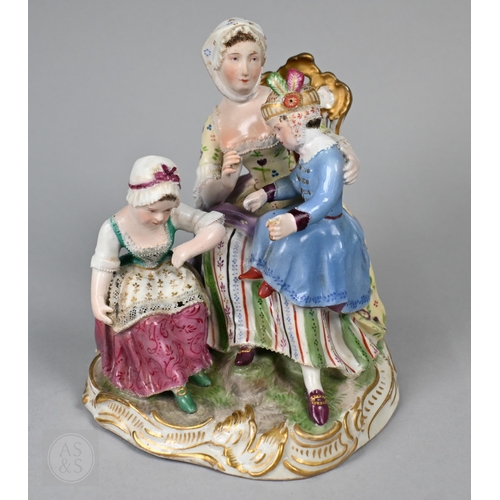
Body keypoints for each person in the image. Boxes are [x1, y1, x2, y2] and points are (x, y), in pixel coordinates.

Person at [195, 19, 386, 425]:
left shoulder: (281, 96)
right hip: (253, 199)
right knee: (225, 250)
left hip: (304, 205)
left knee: (301, 263)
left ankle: (312, 363)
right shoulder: (215, 123)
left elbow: (323, 141)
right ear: (215, 64)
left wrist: (350, 157)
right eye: (234, 58)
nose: (245, 69)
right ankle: (249, 335)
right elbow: (208, 195)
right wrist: (228, 180)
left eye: (254, 58)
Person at [240, 70, 374, 424]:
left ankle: (284, 286)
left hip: (327, 228)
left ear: (296, 122)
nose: (276, 134)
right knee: (265, 225)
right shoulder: (304, 152)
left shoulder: (327, 155)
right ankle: (261, 270)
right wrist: (266, 193)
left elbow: (325, 199)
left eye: (278, 127)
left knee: (290, 244)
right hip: (306, 218)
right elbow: (294, 184)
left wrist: (293, 220)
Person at [90, 155, 226, 414]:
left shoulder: (173, 213)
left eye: (166, 210)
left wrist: (187, 249)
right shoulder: (113, 227)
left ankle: (192, 366)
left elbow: (214, 226)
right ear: (136, 200)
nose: (160, 218)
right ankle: (175, 382)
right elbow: (103, 265)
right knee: (151, 326)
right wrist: (97, 300)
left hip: (169, 274)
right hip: (136, 282)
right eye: (152, 211)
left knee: (194, 312)